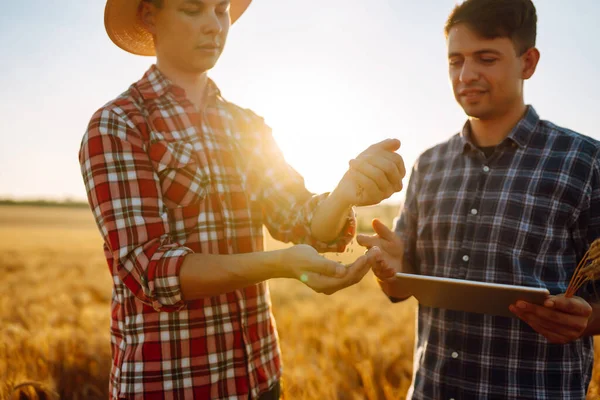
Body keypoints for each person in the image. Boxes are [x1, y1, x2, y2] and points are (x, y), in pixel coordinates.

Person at [78, 0, 406, 398]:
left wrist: (346, 191)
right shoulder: (119, 124)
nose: (215, 25)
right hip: (170, 383)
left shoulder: (247, 126)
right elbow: (150, 269)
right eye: (192, 9)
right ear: (150, 16)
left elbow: (297, 218)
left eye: (221, 10)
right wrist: (279, 263)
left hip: (260, 377)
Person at [358, 0, 600, 398]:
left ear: (528, 62)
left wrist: (586, 321)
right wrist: (393, 271)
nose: (466, 75)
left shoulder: (584, 161)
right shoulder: (428, 166)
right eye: (455, 61)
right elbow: (401, 287)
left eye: (486, 58)